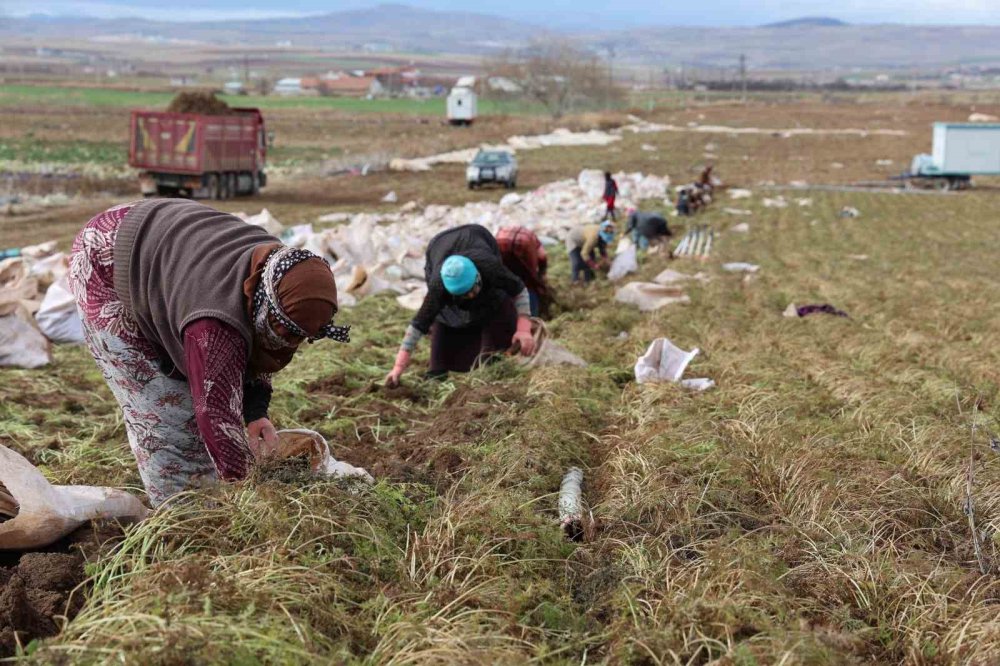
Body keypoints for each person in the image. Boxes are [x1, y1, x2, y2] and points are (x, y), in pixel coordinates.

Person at [68, 199, 349, 506]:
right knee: (168, 415)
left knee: (202, 397)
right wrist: (249, 495)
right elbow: (214, 412)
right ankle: (180, 513)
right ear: (267, 304)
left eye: (301, 337)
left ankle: (205, 492)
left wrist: (256, 412)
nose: (291, 344)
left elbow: (261, 341)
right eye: (286, 331)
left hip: (165, 246)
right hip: (107, 259)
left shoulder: (279, 272)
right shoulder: (215, 323)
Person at [384, 224, 535, 387]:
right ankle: (440, 369)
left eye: (471, 290)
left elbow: (519, 290)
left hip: (475, 236)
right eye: (464, 294)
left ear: (478, 277)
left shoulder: (489, 267)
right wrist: (398, 367)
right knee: (448, 316)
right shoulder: (438, 286)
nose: (470, 296)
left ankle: (491, 355)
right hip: (439, 247)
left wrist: (523, 329)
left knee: (494, 302)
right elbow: (418, 324)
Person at [495, 225, 549, 318]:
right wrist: (541, 273)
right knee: (529, 285)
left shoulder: (500, 233)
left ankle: (507, 316)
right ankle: (530, 319)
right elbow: (542, 256)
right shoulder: (532, 238)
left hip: (501, 247)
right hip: (524, 250)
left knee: (506, 284)